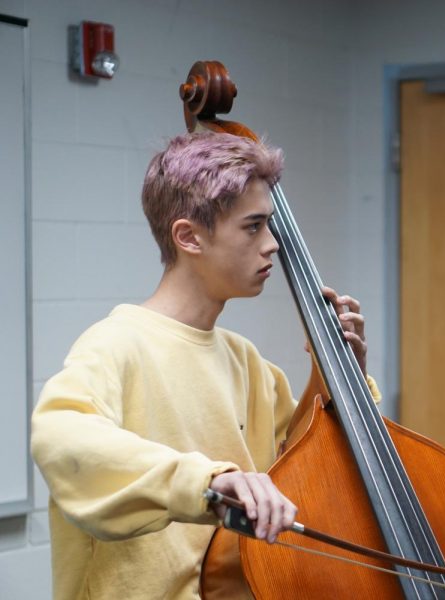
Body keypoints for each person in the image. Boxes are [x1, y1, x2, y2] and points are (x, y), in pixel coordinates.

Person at [30, 131, 380, 599]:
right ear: (188, 237)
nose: (273, 244)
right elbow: (61, 439)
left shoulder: (246, 361)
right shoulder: (116, 345)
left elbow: (307, 467)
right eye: (253, 226)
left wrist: (339, 375)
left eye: (270, 225)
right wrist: (209, 481)